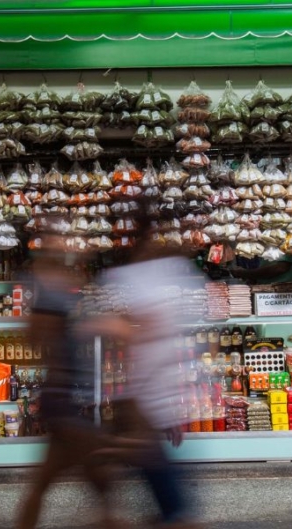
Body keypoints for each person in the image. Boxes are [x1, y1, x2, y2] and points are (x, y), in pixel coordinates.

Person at [79, 218, 203, 529]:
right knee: (149, 462)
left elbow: (135, 328)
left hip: (149, 395)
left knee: (142, 460)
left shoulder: (143, 277)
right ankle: (166, 515)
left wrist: (96, 323)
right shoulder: (164, 276)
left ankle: (166, 517)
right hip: (150, 394)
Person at [15, 232, 114, 529]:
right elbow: (35, 337)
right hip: (62, 398)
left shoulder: (56, 285)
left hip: (63, 398)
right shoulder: (47, 289)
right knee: (101, 478)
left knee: (48, 482)